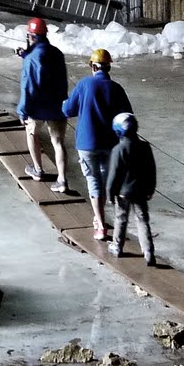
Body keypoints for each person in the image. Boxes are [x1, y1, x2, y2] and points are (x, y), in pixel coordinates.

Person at [62, 47, 133, 240]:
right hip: (111, 144)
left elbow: (68, 110)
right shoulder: (117, 89)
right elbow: (127, 117)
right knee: (108, 180)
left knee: (94, 181)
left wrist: (64, 104)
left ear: (92, 66)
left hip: (87, 143)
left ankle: (100, 226)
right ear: (109, 67)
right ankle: (113, 222)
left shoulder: (84, 84)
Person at [15, 17, 71, 190]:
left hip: (36, 107)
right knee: (58, 142)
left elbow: (28, 87)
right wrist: (26, 55)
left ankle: (38, 170)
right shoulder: (57, 54)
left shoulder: (31, 59)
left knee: (32, 134)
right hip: (57, 106)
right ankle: (62, 180)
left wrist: (22, 111)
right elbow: (47, 68)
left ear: (31, 36)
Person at [104, 112, 157, 265]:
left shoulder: (118, 149)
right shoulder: (145, 147)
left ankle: (117, 246)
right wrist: (151, 188)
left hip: (123, 192)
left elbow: (113, 174)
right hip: (141, 191)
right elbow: (151, 169)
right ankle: (148, 252)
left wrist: (110, 193)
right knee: (142, 220)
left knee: (121, 218)